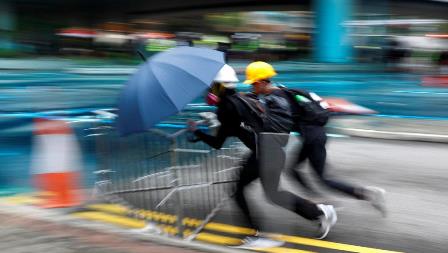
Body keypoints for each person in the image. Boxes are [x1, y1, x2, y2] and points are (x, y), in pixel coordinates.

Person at [188, 64, 337, 248]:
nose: (209, 90)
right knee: (274, 194)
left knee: (238, 190)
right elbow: (239, 126)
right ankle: (320, 212)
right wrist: (217, 121)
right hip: (273, 150)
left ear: (219, 86)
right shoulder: (241, 99)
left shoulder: (226, 107)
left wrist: (197, 132)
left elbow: (218, 143)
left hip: (264, 153)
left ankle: (257, 235)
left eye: (211, 86)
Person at [244, 61, 388, 216]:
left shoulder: (275, 98)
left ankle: (367, 194)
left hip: (312, 137)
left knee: (323, 178)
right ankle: (318, 199)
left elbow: (278, 124)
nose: (252, 87)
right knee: (293, 169)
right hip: (314, 135)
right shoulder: (282, 90)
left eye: (253, 84)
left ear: (260, 82)